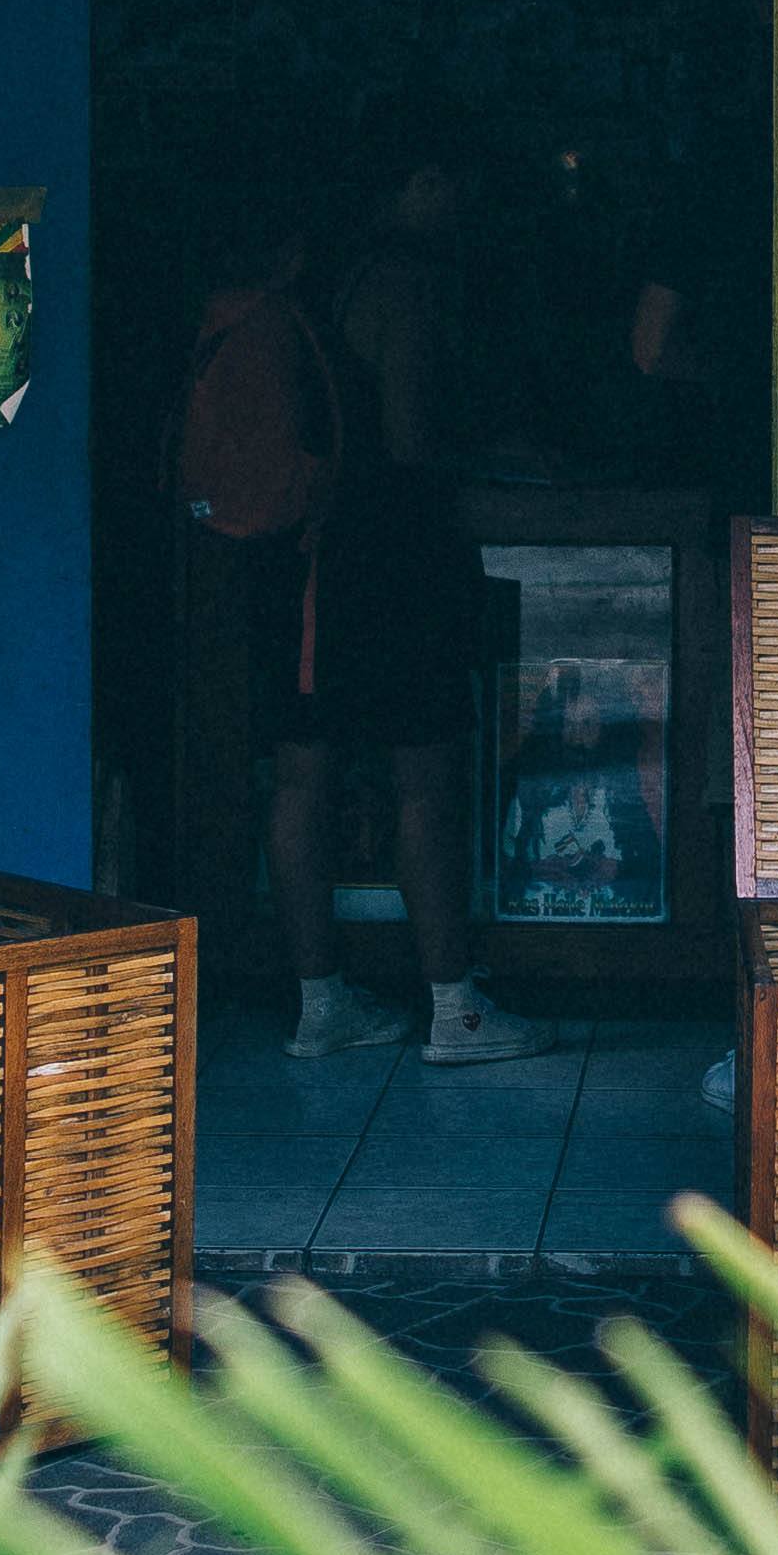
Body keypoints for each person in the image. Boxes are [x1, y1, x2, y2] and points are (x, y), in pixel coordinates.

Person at [250, 135, 546, 1068]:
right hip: (393, 553)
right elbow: (412, 434)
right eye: (452, 179)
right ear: (421, 175)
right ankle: (454, 1008)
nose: (462, 201)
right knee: (425, 776)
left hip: (306, 560)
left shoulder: (317, 274)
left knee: (302, 775)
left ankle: (318, 1002)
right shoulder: (405, 280)